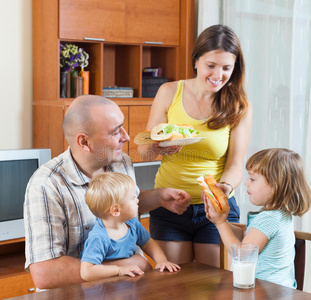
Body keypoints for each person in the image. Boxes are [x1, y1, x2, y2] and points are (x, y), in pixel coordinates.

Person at [24, 95, 191, 289]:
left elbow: (119, 208)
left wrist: (158, 197)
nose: (126, 137)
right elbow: (45, 274)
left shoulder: (121, 162)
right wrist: (128, 265)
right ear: (84, 142)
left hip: (128, 289)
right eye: (115, 132)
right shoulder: (46, 186)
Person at [137, 24, 252, 266]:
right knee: (174, 285)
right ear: (196, 61)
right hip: (169, 205)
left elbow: (234, 164)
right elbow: (144, 149)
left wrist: (226, 188)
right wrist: (157, 147)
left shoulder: (239, 105)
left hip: (215, 209)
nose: (217, 74)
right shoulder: (169, 92)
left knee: (214, 285)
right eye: (211, 65)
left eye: (226, 68)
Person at [205, 148, 311, 288]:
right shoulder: (279, 214)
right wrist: (219, 220)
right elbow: (247, 236)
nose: (246, 183)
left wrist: (221, 223)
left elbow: (242, 255)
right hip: (278, 290)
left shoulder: (269, 218)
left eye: (252, 179)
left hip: (267, 291)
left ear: (275, 185)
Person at [80, 172, 180, 281]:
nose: (137, 200)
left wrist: (162, 260)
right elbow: (86, 272)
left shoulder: (132, 223)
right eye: (132, 198)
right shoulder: (99, 237)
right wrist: (119, 270)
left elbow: (148, 244)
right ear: (116, 210)